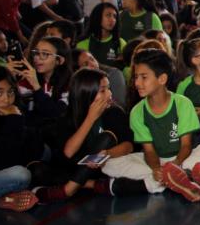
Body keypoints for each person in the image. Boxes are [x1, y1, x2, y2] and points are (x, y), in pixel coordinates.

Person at [99, 49, 200, 201]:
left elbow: (186, 145)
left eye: (144, 77)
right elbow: (149, 151)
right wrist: (156, 169)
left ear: (162, 79)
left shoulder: (182, 103)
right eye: (136, 77)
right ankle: (182, 178)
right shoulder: (137, 111)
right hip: (156, 162)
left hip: (184, 158)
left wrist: (176, 165)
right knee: (109, 164)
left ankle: (162, 182)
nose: (137, 83)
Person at [32, 68, 133, 202]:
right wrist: (90, 118)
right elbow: (68, 153)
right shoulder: (68, 115)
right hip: (73, 168)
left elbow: (128, 146)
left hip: (100, 166)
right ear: (86, 93)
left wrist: (107, 153)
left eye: (108, 88)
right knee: (35, 169)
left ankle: (69, 189)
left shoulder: (114, 112)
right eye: (102, 90)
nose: (109, 94)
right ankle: (89, 184)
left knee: (107, 137)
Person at [0, 66, 38, 211]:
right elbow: (4, 162)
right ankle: (3, 197)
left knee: (45, 152)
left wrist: (14, 119)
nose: (6, 99)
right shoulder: (12, 116)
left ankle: (4, 197)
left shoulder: (13, 113)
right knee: (20, 175)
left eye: (10, 92)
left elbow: (30, 148)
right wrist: (13, 119)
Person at [77, 3, 125, 69]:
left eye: (114, 16)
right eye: (108, 15)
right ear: (97, 17)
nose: (112, 20)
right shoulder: (83, 44)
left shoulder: (121, 43)